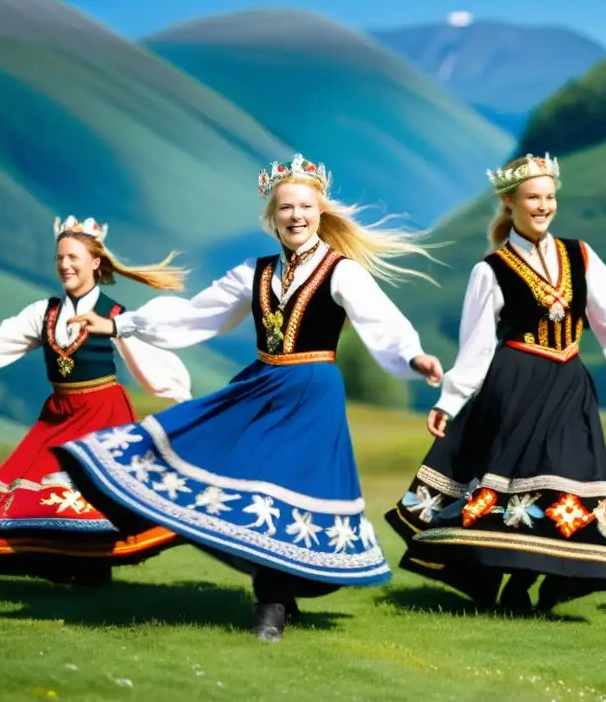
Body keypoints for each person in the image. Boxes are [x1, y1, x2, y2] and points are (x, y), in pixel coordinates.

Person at [51, 154, 444, 642]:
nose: (296, 215)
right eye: (286, 208)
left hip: (312, 394)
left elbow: (381, 322)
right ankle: (276, 594)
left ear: (320, 213)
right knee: (245, 480)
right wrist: (119, 324)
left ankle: (271, 605)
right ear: (271, 217)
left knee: (282, 486)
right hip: (261, 387)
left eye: (304, 206)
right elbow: (196, 316)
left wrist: (413, 357)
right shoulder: (252, 274)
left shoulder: (341, 272)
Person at [384, 153, 606, 614]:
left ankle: (539, 581)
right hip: (515, 387)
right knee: (514, 485)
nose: (543, 206)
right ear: (510, 202)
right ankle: (512, 585)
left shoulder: (580, 254)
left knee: (568, 480)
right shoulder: (491, 269)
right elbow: (477, 345)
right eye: (532, 198)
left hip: (569, 388)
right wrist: (450, 401)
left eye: (549, 197)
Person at [0, 216, 192, 585]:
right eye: (60, 258)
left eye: (73, 257)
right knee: (28, 485)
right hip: (59, 413)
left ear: (95, 263)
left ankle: (92, 569)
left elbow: (150, 360)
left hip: (103, 412)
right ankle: (63, 563)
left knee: (89, 491)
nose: (65, 265)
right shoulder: (43, 313)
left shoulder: (114, 315)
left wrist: (180, 397)